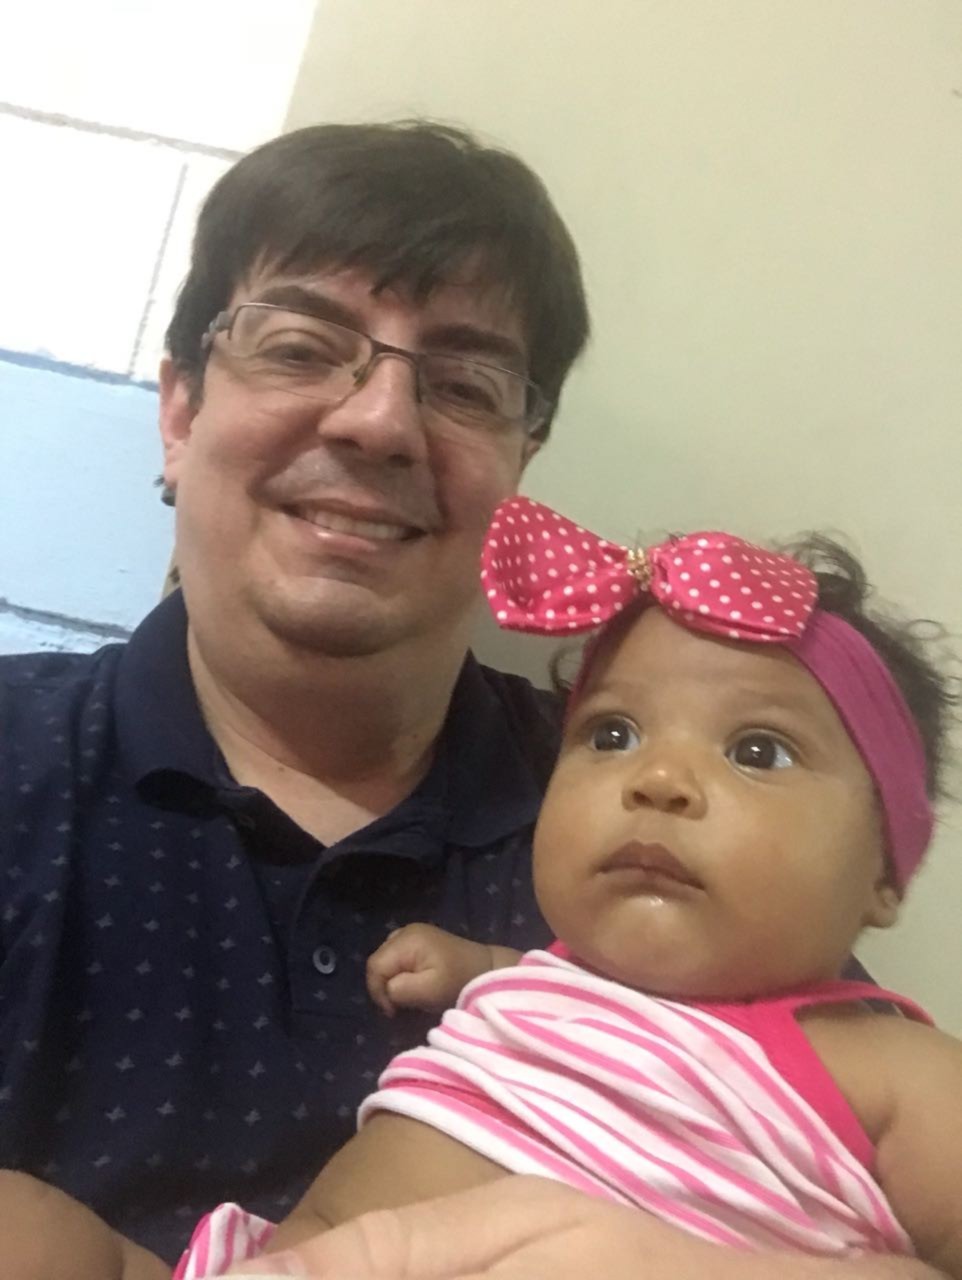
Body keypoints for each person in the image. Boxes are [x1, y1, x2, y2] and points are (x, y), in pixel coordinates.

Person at [0, 121, 587, 1263]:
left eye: (463, 384)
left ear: (519, 468)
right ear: (180, 414)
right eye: (301, 346)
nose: (379, 421)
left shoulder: (650, 814)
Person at [172, 500, 959, 1276]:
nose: (658, 778)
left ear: (884, 874)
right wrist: (476, 967)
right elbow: (576, 1014)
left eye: (758, 750)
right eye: (612, 735)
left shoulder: (891, 1071)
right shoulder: (557, 982)